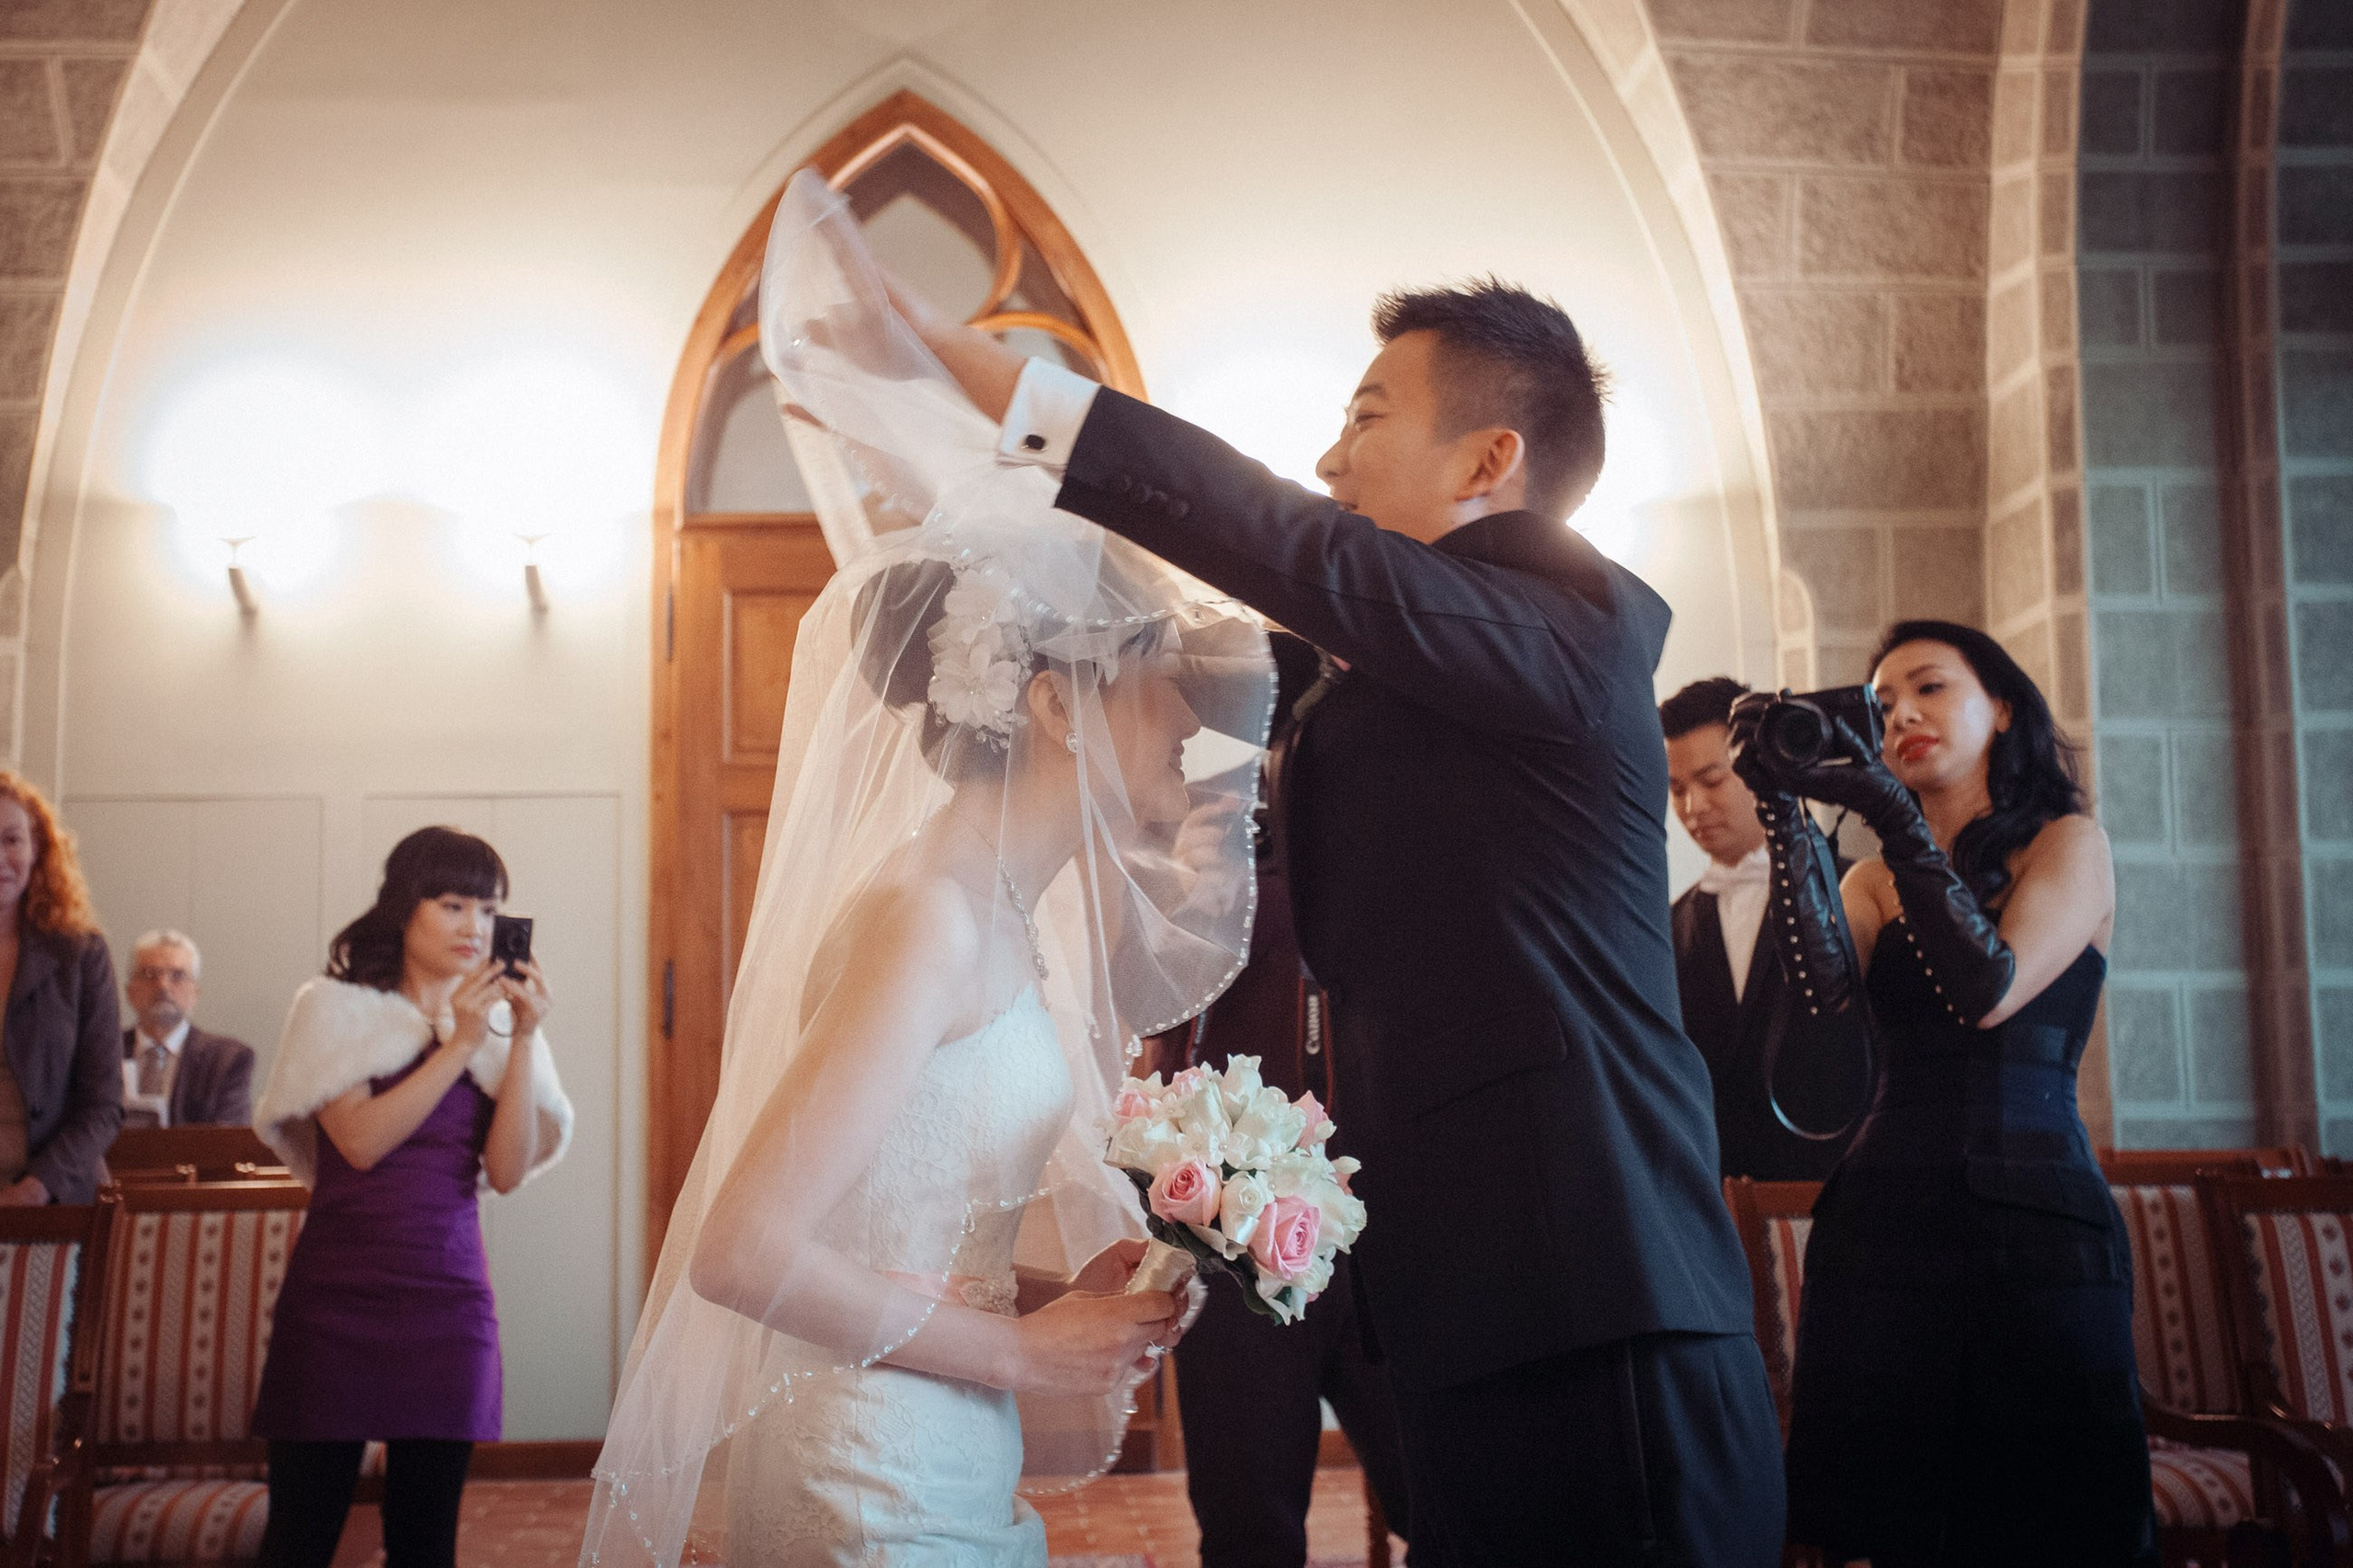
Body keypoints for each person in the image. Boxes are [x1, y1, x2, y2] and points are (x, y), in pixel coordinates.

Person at [897, 267, 1782, 1559]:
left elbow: (1276, 538)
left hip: (1600, 1309)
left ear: (1490, 456)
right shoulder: (1416, 667)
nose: (1327, 456)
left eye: (1367, 417)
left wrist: (960, 363)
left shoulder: (1566, 628)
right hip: (1468, 1303)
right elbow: (1222, 632)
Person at [582, 175, 1273, 1568]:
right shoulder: (924, 917)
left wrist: (1042, 1293)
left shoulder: (1000, 920)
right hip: (866, 1478)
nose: (1183, 728)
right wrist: (1028, 1353)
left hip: (943, 1448)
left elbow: (886, 1221)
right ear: (1059, 706)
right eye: (1152, 688)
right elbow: (745, 1251)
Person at [1728, 619, 2155, 1565]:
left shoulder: (2068, 842)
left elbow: (1990, 989)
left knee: (2055, 1513)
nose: (1902, 715)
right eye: (1881, 707)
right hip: (1884, 1216)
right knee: (1882, 1519)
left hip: (2037, 1219)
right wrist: (1783, 816)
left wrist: (1888, 809)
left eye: (1929, 688)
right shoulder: (1874, 875)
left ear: (2001, 706)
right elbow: (1820, 1000)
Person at [1146, 642, 1414, 1568]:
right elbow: (1161, 1005)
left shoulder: (1401, 829)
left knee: (1448, 1498)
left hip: (1393, 1212)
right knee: (1247, 1517)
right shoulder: (1203, 827)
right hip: (1231, 1210)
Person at [250, 825, 573, 1568]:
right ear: (405, 907)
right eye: (453, 905)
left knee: (425, 1545)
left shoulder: (497, 1027)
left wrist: (519, 1040)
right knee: (299, 1538)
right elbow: (359, 1143)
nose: (475, 928)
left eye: (489, 911)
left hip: (448, 1301)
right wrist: (456, 1042)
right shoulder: (333, 1008)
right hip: (336, 1299)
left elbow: (507, 1171)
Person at [1661, 677, 1865, 1179]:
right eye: (1677, 789)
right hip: (1720, 1186)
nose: (1693, 808)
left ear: (1760, 765)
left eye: (1712, 780)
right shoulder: (1666, 923)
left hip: (1839, 1177)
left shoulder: (1853, 888)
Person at [0, 772, 122, 1205]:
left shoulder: (80, 953)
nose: (0, 857)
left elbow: (103, 1105)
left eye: (11, 840)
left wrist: (37, 1187)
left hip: (55, 1200)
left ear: (36, 849)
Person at [119, 928, 256, 1128]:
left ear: (195, 993)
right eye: (150, 974)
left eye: (177, 975)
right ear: (130, 991)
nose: (163, 985)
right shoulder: (100, 1053)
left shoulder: (226, 1060)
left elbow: (228, 1141)